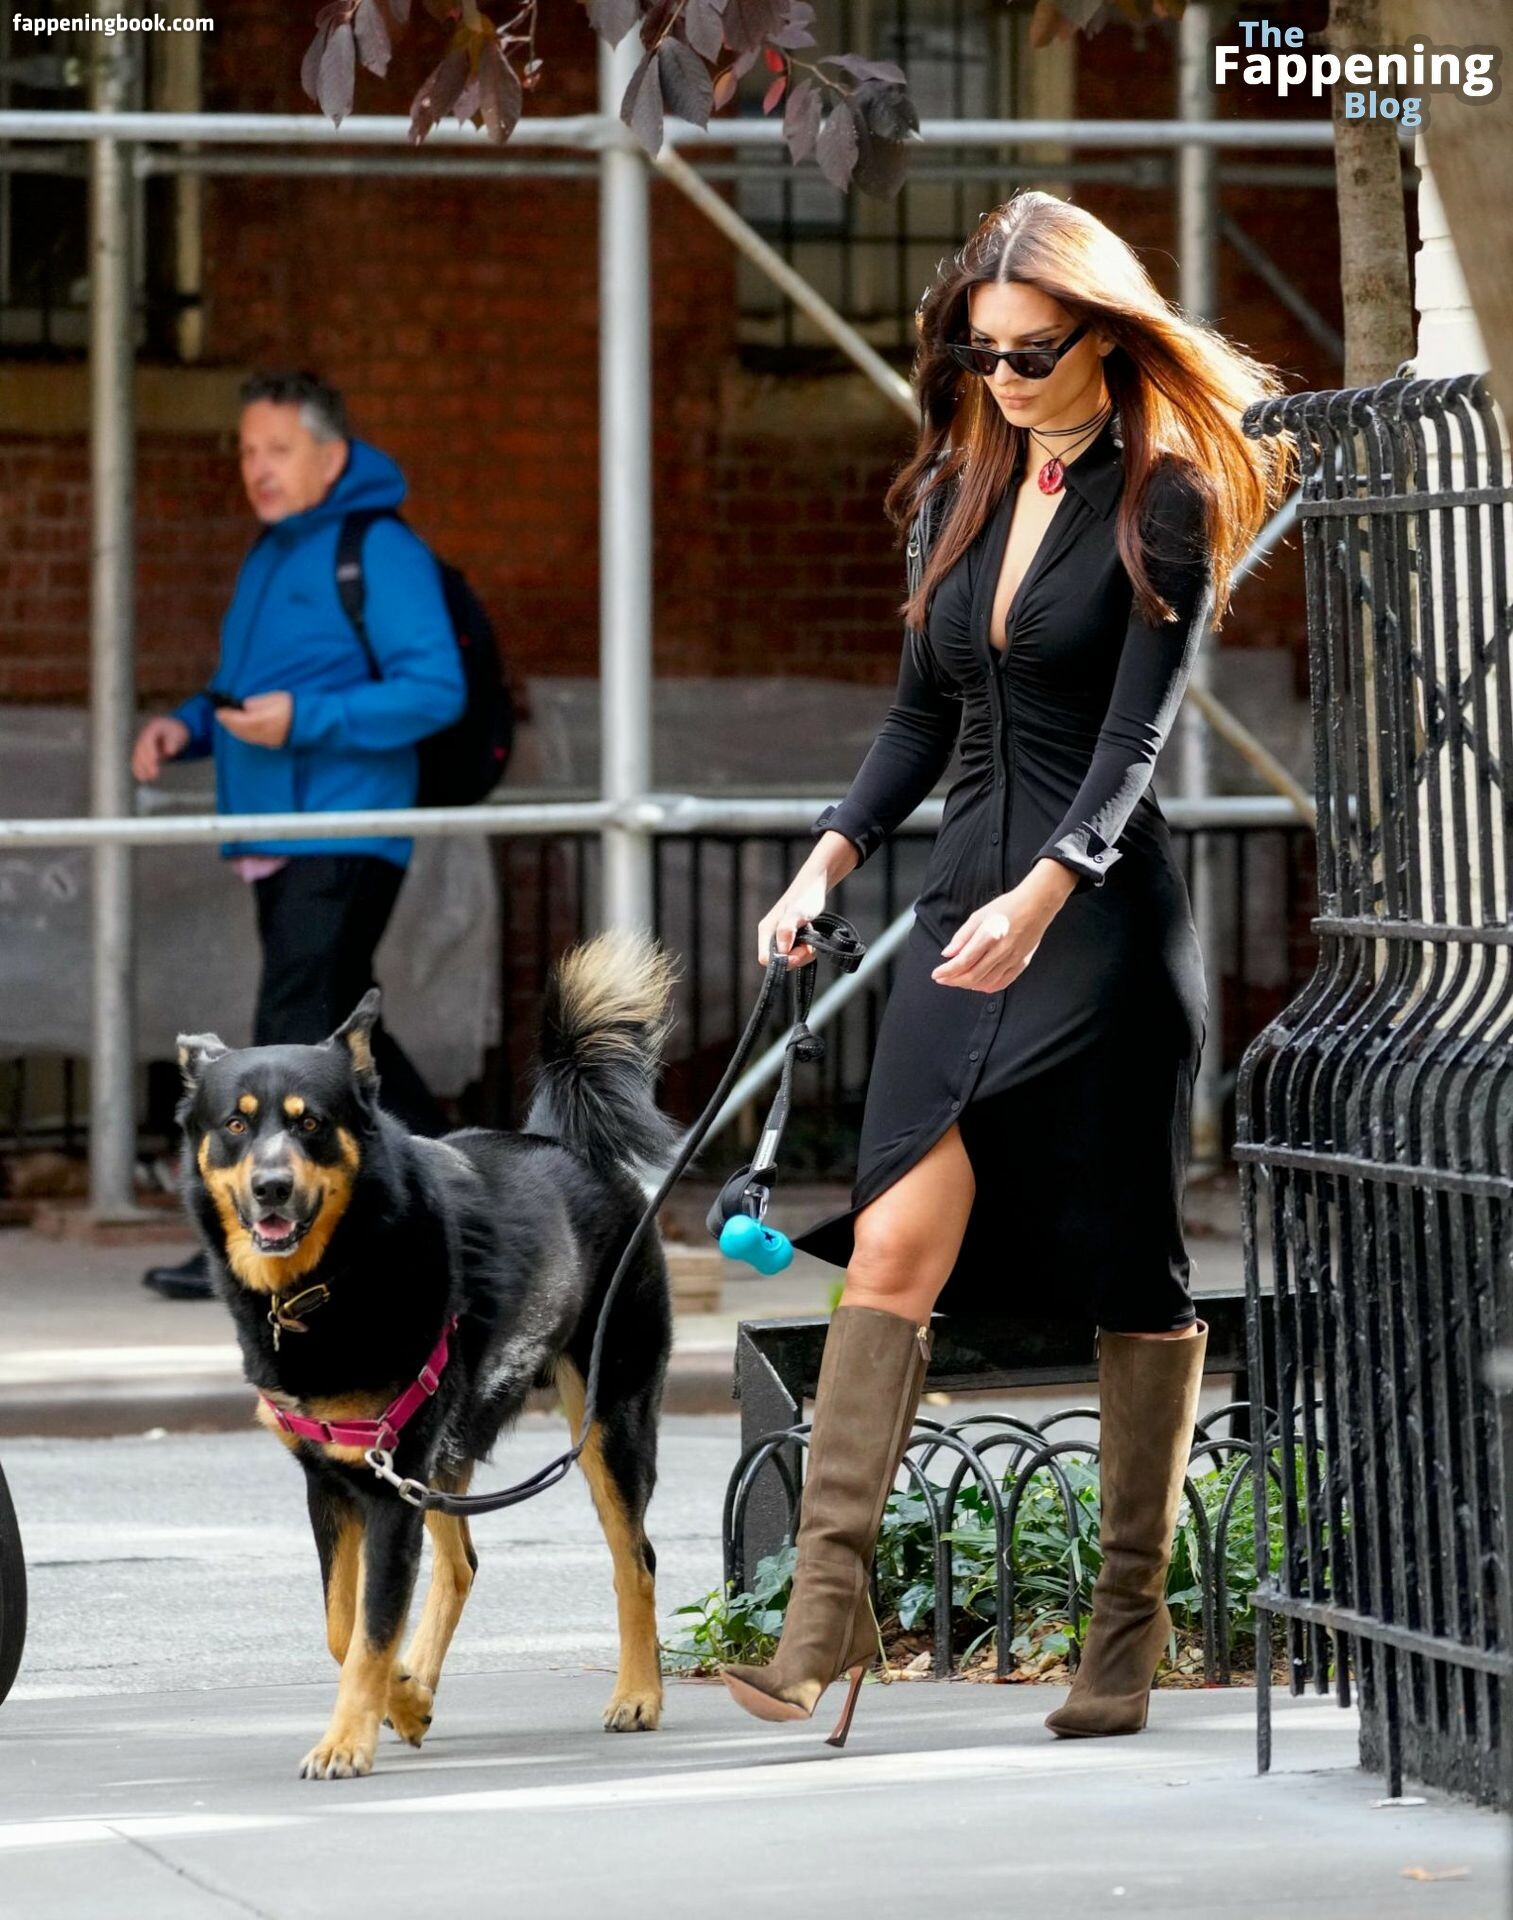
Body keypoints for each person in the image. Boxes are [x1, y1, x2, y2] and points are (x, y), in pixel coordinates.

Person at [718, 191, 1294, 1744]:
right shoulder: (960, 488)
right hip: (959, 909)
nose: (1006, 378)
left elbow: (1132, 745)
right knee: (891, 1244)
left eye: (1033, 351)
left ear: (1103, 334)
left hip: (1093, 928)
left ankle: (1126, 1630)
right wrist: (826, 858)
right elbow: (919, 713)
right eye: (980, 354)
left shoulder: (1163, 497)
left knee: (1130, 1270)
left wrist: (1045, 897)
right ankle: (817, 1627)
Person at [133, 370, 466, 1299]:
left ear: (332, 456)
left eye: (278, 449)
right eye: (248, 450)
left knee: (292, 1032)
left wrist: (304, 720)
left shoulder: (378, 549)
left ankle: (256, 1239)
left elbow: (434, 690)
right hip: (279, 831)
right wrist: (188, 727)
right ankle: (453, 1200)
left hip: (345, 827)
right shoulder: (273, 551)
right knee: (336, 1040)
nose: (259, 468)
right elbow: (246, 692)